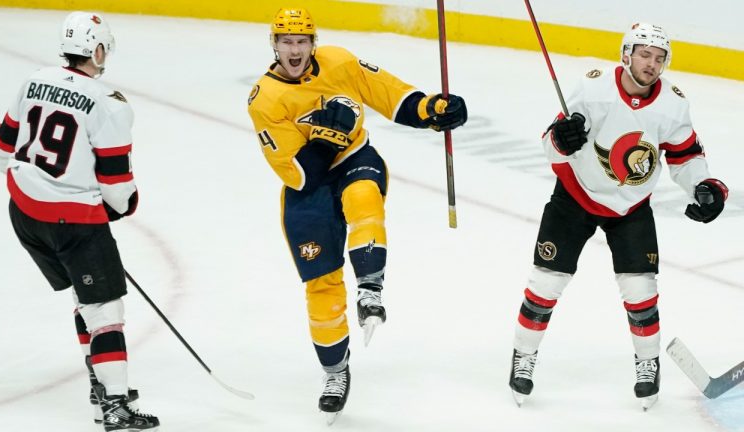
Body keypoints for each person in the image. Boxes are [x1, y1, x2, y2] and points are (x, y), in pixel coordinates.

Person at [247, 7, 467, 423]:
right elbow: (301, 175)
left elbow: (394, 97)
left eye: (302, 41)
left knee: (365, 194)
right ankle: (335, 372)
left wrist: (435, 110)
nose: (294, 50)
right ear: (273, 44)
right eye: (286, 42)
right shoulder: (265, 99)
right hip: (306, 189)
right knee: (322, 289)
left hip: (354, 160)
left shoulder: (341, 61)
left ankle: (370, 288)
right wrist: (331, 134)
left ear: (314, 43)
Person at [508, 22, 729, 410]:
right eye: (644, 54)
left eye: (660, 58)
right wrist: (561, 139)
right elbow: (552, 141)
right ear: (626, 55)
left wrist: (703, 186)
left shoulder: (673, 103)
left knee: (641, 291)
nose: (652, 63)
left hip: (631, 206)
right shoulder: (593, 88)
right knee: (545, 283)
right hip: (575, 197)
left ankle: (648, 363)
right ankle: (523, 357)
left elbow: (685, 155)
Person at [0, 11, 159, 431]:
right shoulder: (109, 103)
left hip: (24, 214)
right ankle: (115, 406)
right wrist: (119, 207)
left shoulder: (33, 80)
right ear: (98, 50)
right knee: (105, 309)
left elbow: (0, 154)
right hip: (72, 224)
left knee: (86, 297)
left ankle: (100, 382)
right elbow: (118, 189)